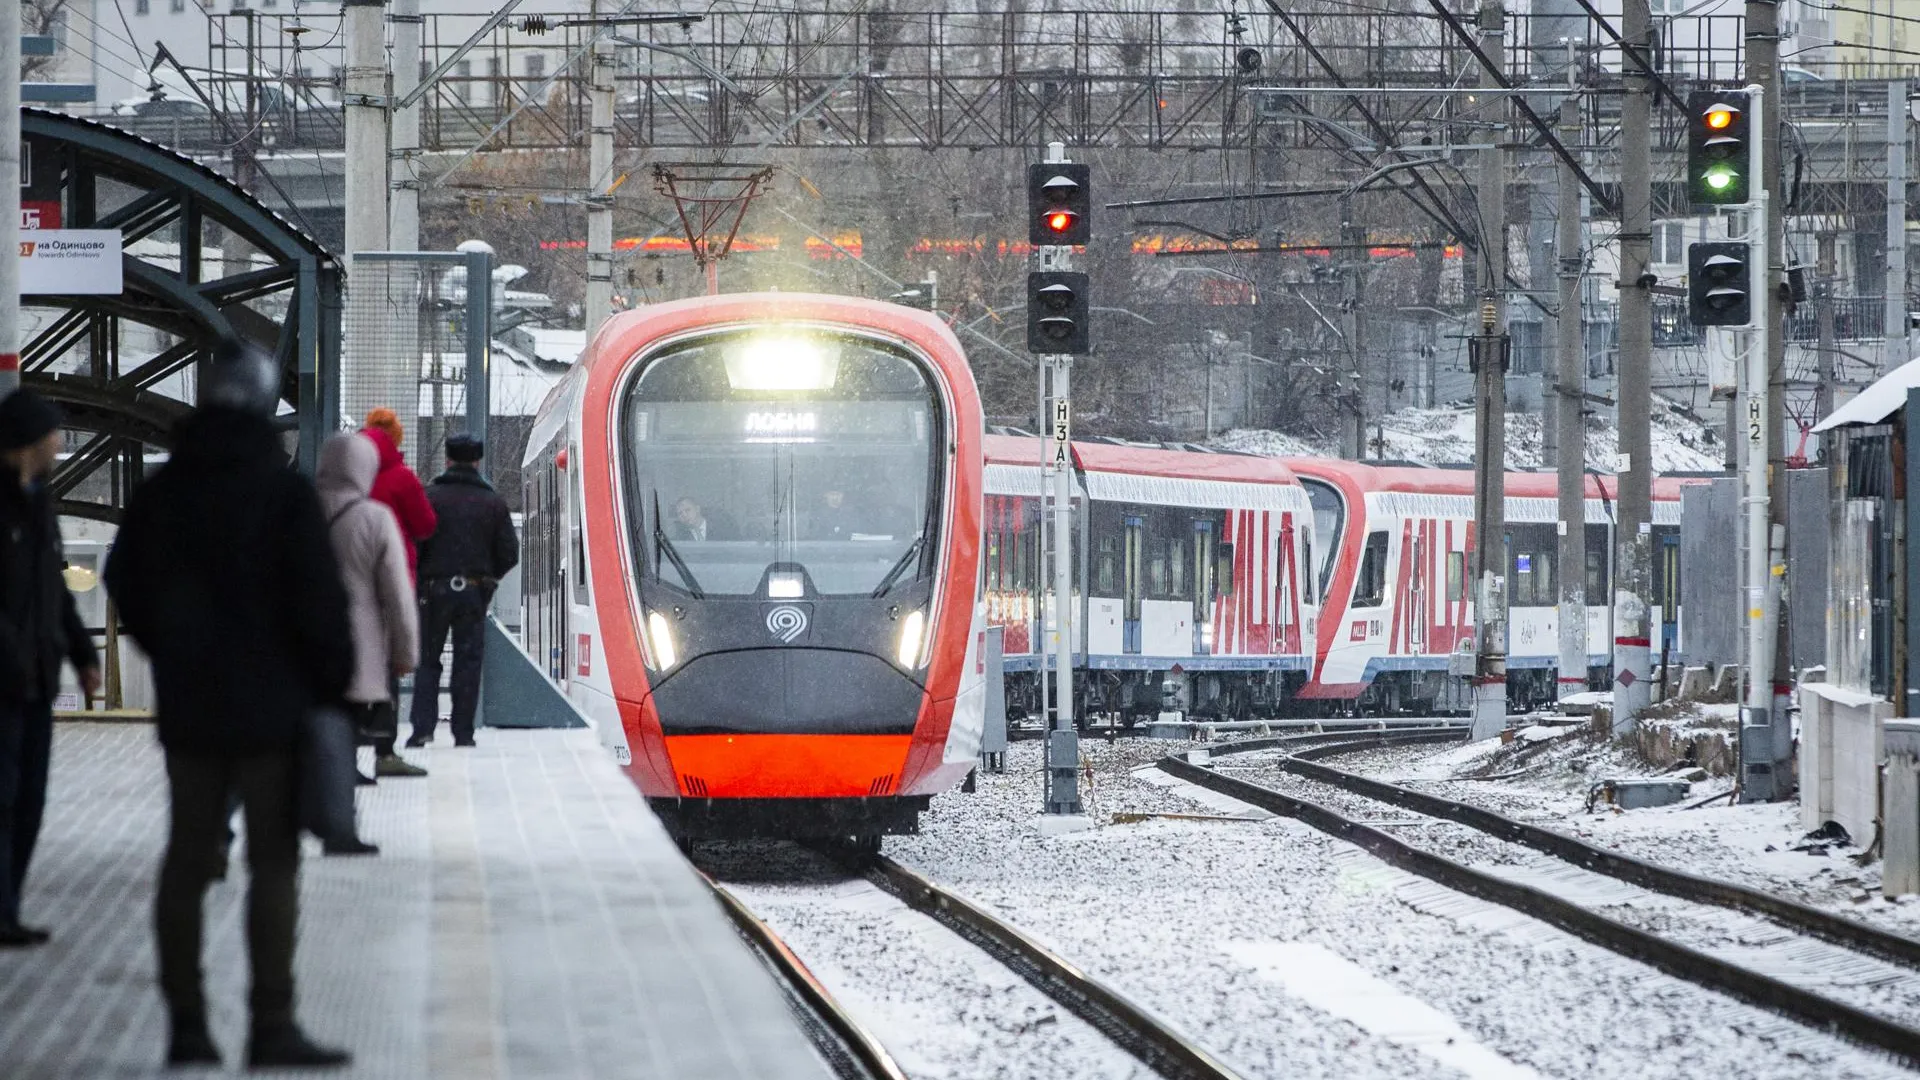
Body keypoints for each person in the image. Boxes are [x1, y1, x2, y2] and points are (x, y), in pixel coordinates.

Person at [105, 341, 355, 1069]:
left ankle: (187, 1025)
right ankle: (270, 1024)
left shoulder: (166, 489)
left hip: (190, 712)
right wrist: (328, 687)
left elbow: (124, 575)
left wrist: (170, 649)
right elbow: (320, 602)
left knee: (187, 858)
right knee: (274, 866)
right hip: (273, 716)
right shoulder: (282, 494)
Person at [0, 390, 101, 949]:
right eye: (53, 434)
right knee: (4, 798)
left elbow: (54, 590)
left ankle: (9, 906)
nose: (61, 443)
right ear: (27, 443)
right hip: (7, 679)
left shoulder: (39, 504)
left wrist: (83, 656)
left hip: (37, 679)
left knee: (30, 799)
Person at [316, 433, 425, 791]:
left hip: (308, 633)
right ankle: (341, 813)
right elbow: (397, 594)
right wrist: (405, 653)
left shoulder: (299, 508)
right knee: (349, 709)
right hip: (359, 636)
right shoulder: (375, 518)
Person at [406, 434, 517, 750]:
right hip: (473, 592)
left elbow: (416, 543)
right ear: (477, 461)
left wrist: (423, 578)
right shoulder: (492, 502)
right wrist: (488, 579)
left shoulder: (430, 497)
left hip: (432, 591)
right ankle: (463, 732)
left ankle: (422, 729)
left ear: (448, 460)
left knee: (427, 660)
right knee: (468, 661)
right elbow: (509, 552)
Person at [361, 408, 436, 582]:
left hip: (356, 562)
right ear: (395, 439)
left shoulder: (349, 472)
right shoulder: (403, 478)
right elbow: (425, 526)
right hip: (395, 564)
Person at [670, 496, 738, 542]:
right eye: (680, 513)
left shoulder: (721, 528)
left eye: (687, 510)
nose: (684, 515)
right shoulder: (680, 539)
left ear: (697, 509)